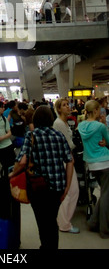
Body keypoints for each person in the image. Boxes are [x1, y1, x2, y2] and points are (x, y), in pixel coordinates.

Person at [9, 105, 74, 249]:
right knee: (51, 220)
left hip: (38, 187)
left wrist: (11, 174)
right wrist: (67, 186)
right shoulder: (59, 135)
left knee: (43, 221)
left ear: (36, 120)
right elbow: (70, 161)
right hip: (57, 187)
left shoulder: (32, 135)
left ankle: (46, 246)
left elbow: (22, 161)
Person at [78, 99, 109, 239]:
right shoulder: (100, 126)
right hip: (105, 162)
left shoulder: (81, 126)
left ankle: (93, 222)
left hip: (91, 164)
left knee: (105, 194)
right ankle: (105, 230)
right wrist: (104, 125)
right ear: (96, 111)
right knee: (106, 196)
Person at [53, 98, 80, 234]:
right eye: (64, 105)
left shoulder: (64, 123)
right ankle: (64, 224)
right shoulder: (59, 124)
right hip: (65, 161)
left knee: (71, 191)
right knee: (70, 192)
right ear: (58, 109)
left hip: (67, 159)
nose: (68, 107)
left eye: (68, 104)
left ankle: (63, 221)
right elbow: (68, 144)